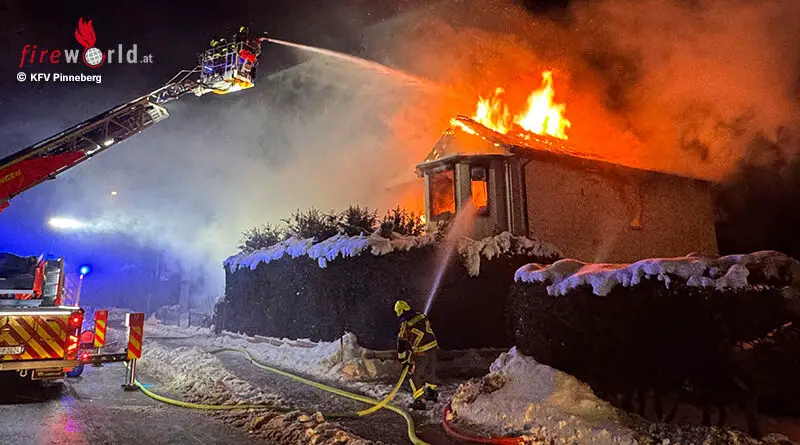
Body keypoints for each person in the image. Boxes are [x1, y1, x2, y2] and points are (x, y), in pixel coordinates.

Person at [395, 299, 439, 410]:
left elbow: (401, 344)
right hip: (433, 347)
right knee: (430, 370)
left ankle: (419, 400)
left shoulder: (405, 324)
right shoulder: (421, 316)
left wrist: (403, 361)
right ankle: (431, 392)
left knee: (414, 375)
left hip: (421, 350)